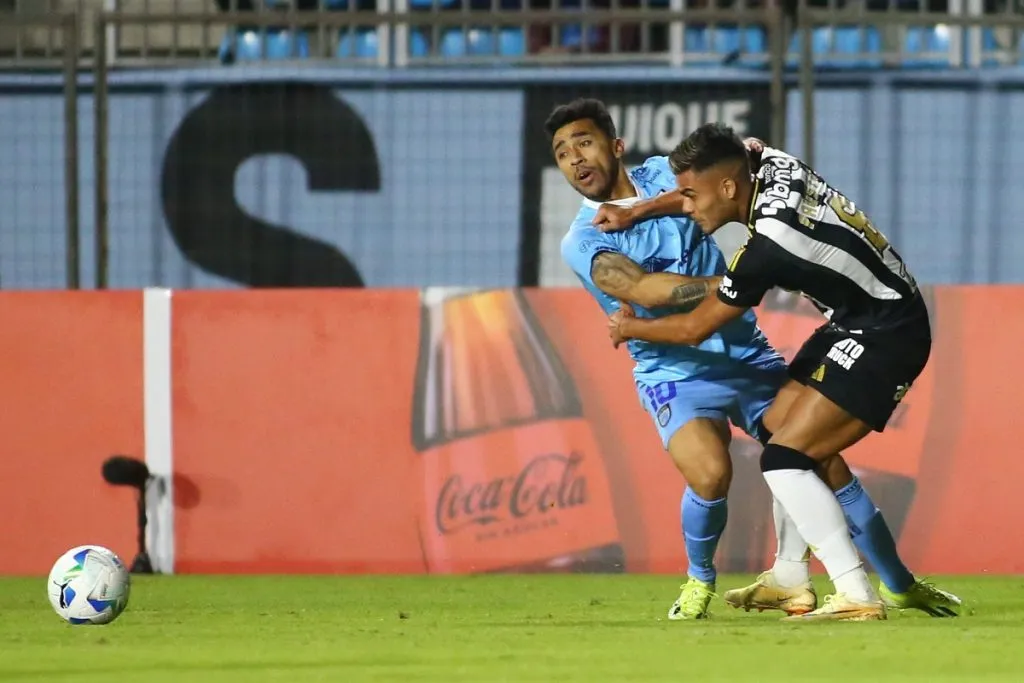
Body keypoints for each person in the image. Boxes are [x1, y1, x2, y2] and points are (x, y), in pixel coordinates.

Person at [547, 98, 961, 622]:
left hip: (755, 351)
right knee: (712, 475)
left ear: (615, 145)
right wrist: (643, 214)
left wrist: (670, 312)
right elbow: (647, 285)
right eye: (562, 153)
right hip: (674, 371)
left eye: (584, 143)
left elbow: (690, 313)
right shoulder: (583, 238)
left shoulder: (728, 221)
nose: (575, 158)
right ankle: (709, 579)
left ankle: (878, 586)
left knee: (806, 458)